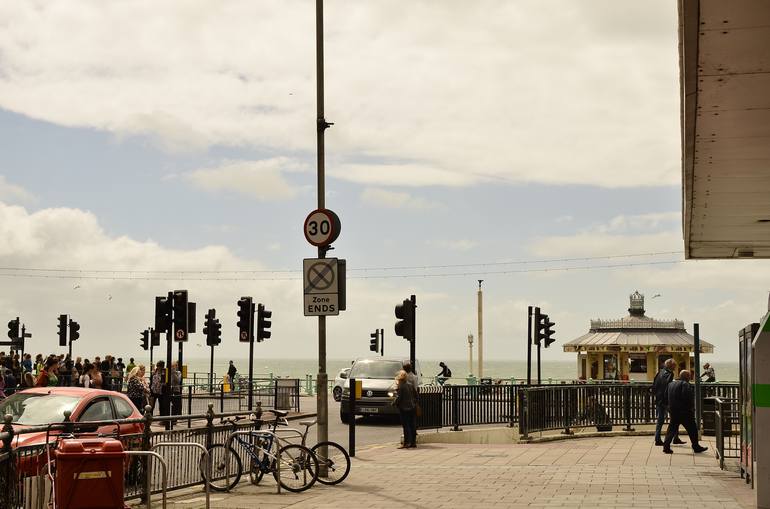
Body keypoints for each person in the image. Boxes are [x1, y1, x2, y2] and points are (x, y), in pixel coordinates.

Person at [662, 370, 708, 454]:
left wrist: (669, 407)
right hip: (684, 412)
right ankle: (696, 446)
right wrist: (690, 408)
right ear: (686, 377)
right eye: (689, 376)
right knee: (693, 429)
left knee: (671, 429)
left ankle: (666, 446)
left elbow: (665, 397)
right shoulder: (685, 384)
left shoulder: (670, 384)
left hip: (673, 411)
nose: (690, 377)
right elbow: (687, 397)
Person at [652, 358, 682, 446]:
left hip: (659, 399)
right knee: (675, 419)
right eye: (674, 365)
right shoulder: (670, 374)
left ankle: (658, 438)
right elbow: (667, 388)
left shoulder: (659, 372)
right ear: (671, 365)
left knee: (660, 420)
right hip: (665, 401)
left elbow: (655, 385)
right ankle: (674, 438)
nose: (676, 367)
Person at [394, 369, 418, 449]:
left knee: (406, 426)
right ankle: (413, 442)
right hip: (412, 408)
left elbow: (399, 398)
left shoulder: (401, 386)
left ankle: (406, 443)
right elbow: (416, 395)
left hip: (404, 408)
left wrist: (394, 403)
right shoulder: (410, 384)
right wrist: (414, 403)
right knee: (412, 425)